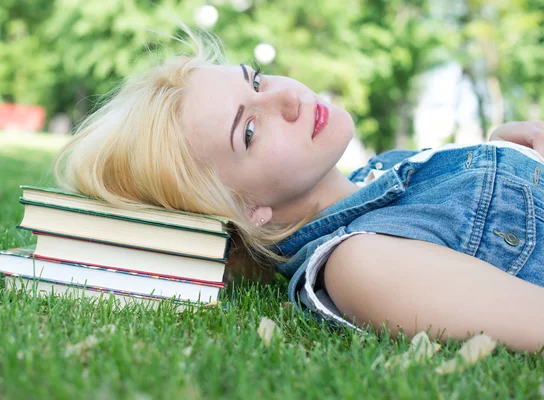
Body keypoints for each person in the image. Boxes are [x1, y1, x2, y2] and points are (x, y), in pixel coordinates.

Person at [54, 30, 544, 353]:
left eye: (257, 81)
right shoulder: (362, 264)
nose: (288, 97)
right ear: (244, 210)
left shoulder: (377, 181)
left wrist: (507, 160)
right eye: (248, 130)